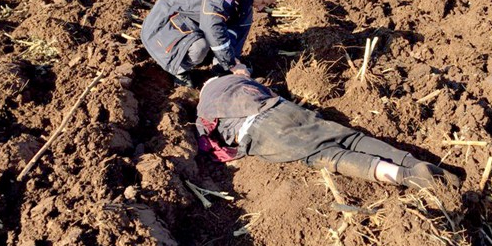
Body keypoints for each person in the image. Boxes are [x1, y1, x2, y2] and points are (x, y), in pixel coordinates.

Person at [195, 74, 460, 189]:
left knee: (327, 155)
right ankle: (414, 162)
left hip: (261, 129)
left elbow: (207, 142)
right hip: (284, 108)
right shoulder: (238, 80)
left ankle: (404, 176)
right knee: (352, 138)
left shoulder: (203, 105)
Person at [141, 0, 280, 87]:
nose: (261, 9)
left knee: (244, 19)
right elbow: (212, 23)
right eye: (264, 2)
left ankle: (219, 64)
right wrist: (231, 64)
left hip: (192, 22)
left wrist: (229, 63)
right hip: (164, 26)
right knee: (199, 48)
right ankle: (179, 69)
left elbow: (237, 29)